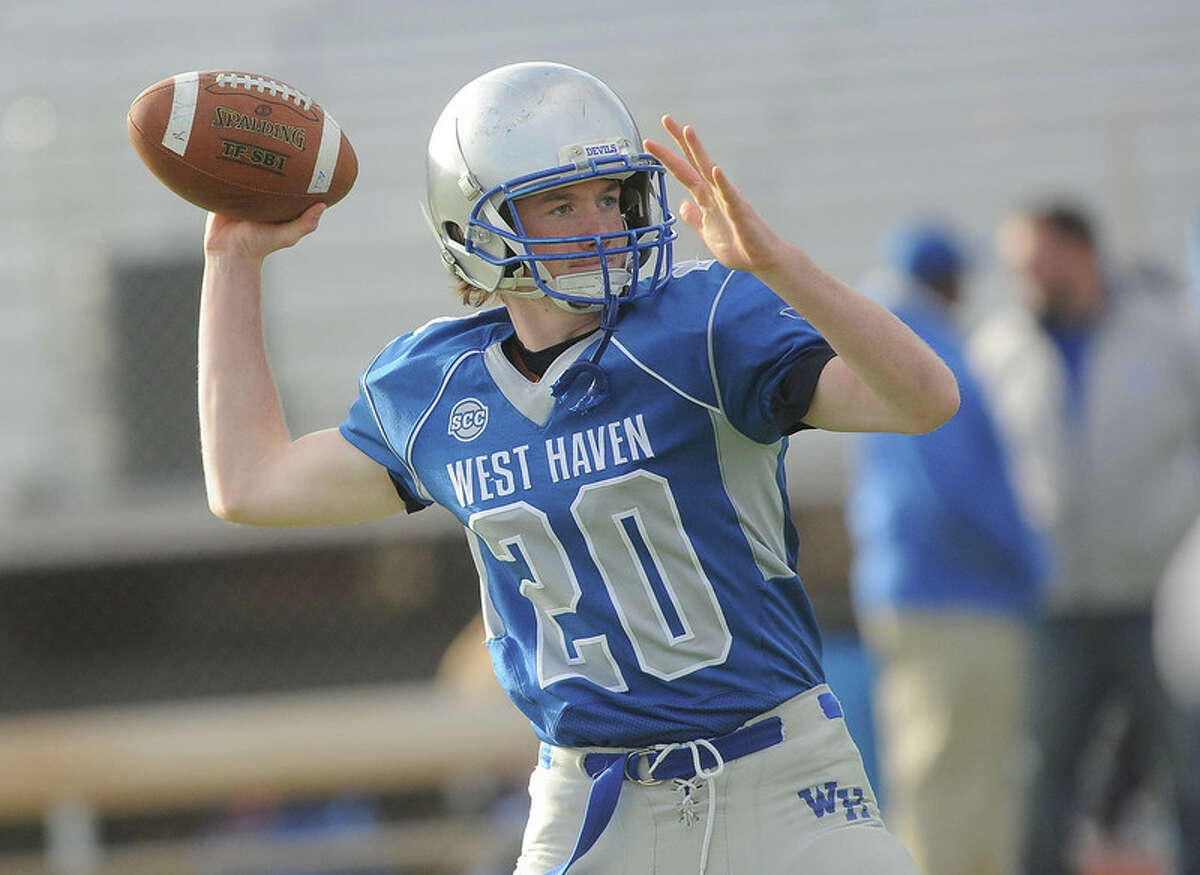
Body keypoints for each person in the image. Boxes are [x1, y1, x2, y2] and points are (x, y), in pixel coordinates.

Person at [198, 61, 958, 873]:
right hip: (592, 808)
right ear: (475, 225)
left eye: (608, 197)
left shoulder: (702, 326)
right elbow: (249, 484)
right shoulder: (436, 390)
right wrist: (232, 261)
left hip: (783, 783)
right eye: (561, 204)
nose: (598, 224)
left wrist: (781, 267)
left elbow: (922, 400)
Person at [971, 202, 1200, 874]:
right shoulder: (998, 348)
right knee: (1046, 773)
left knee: (1186, 761)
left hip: (1157, 593)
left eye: (1035, 262)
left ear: (1079, 254)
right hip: (1055, 600)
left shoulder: (1167, 332)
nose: (1025, 279)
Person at [847, 222, 1050, 875]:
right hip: (959, 596)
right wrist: (1027, 560)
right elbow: (954, 488)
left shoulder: (884, 339)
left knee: (949, 775)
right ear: (949, 279)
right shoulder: (925, 348)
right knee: (953, 782)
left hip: (925, 592)